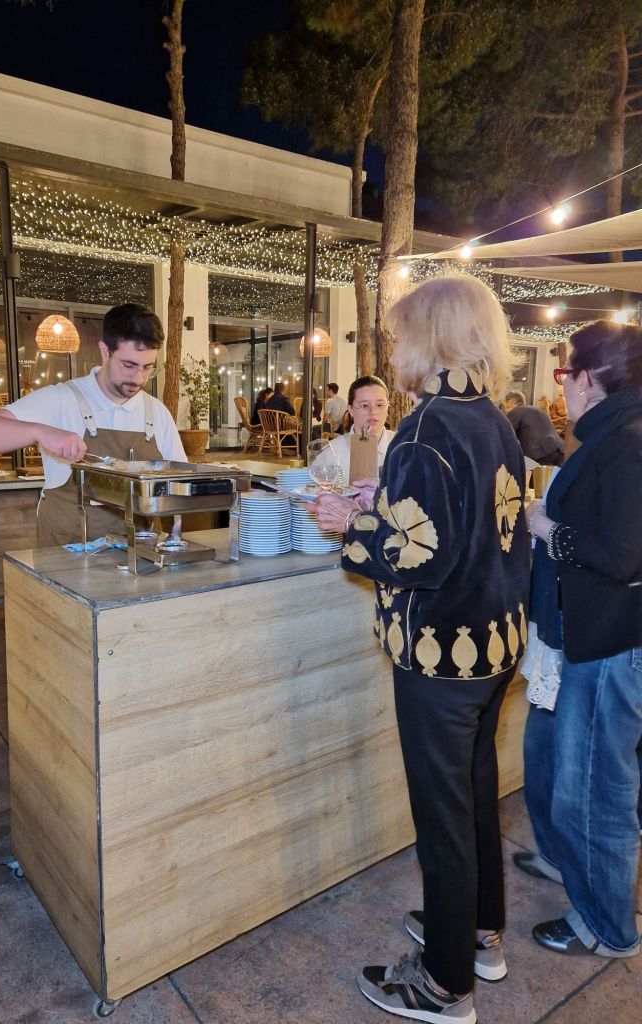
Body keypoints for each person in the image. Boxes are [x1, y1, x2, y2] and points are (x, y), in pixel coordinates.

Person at [315, 275, 530, 1024]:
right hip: (494, 643)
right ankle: (477, 934)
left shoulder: (424, 428)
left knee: (442, 817)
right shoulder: (493, 419)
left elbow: (419, 555)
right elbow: (472, 523)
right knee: (474, 796)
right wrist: (382, 505)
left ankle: (443, 984)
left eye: (403, 335)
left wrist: (348, 527)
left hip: (440, 652)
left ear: (430, 340)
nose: (396, 348)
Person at [519, 320, 642, 961]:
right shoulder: (612, 432)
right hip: (586, 635)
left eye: (565, 374)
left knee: (596, 789)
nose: (561, 386)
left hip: (609, 642)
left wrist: (544, 528)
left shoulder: (627, 440)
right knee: (562, 768)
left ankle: (606, 925)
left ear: (588, 379)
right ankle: (570, 863)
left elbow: (621, 555)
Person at [0, 302, 186, 546]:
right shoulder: (61, 398)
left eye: (147, 368)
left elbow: (179, 485)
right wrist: (40, 431)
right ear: (105, 351)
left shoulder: (156, 412)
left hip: (138, 555)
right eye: (129, 365)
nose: (138, 378)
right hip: (65, 555)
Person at [315, 376, 395, 482]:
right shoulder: (332, 453)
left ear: (387, 407)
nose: (373, 411)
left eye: (380, 405)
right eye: (364, 405)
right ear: (351, 409)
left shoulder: (404, 446)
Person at [503, 390, 564, 466]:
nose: (505, 410)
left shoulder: (515, 412)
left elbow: (506, 437)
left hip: (540, 453)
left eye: (505, 406)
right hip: (558, 449)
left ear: (510, 404)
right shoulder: (537, 410)